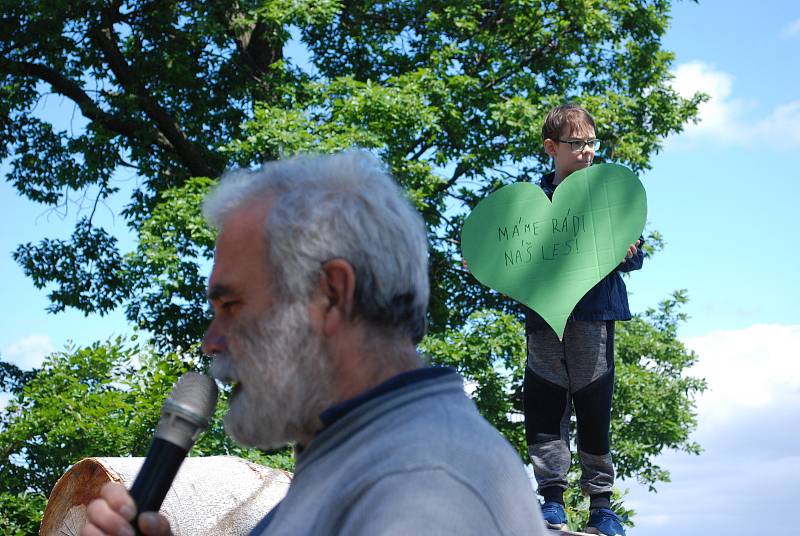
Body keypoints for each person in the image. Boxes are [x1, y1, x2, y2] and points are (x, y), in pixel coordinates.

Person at [82, 150, 547, 536]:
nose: (211, 342)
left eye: (232, 305)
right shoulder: (364, 460)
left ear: (330, 294)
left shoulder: (421, 487)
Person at [522, 104, 644, 536]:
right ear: (552, 148)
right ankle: (551, 500)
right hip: (544, 323)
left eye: (592, 142)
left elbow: (636, 254)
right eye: (578, 144)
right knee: (545, 405)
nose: (588, 151)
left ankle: (601, 506)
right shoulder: (528, 206)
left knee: (594, 406)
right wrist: (485, 262)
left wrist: (628, 251)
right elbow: (512, 260)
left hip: (593, 318)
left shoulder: (609, 196)